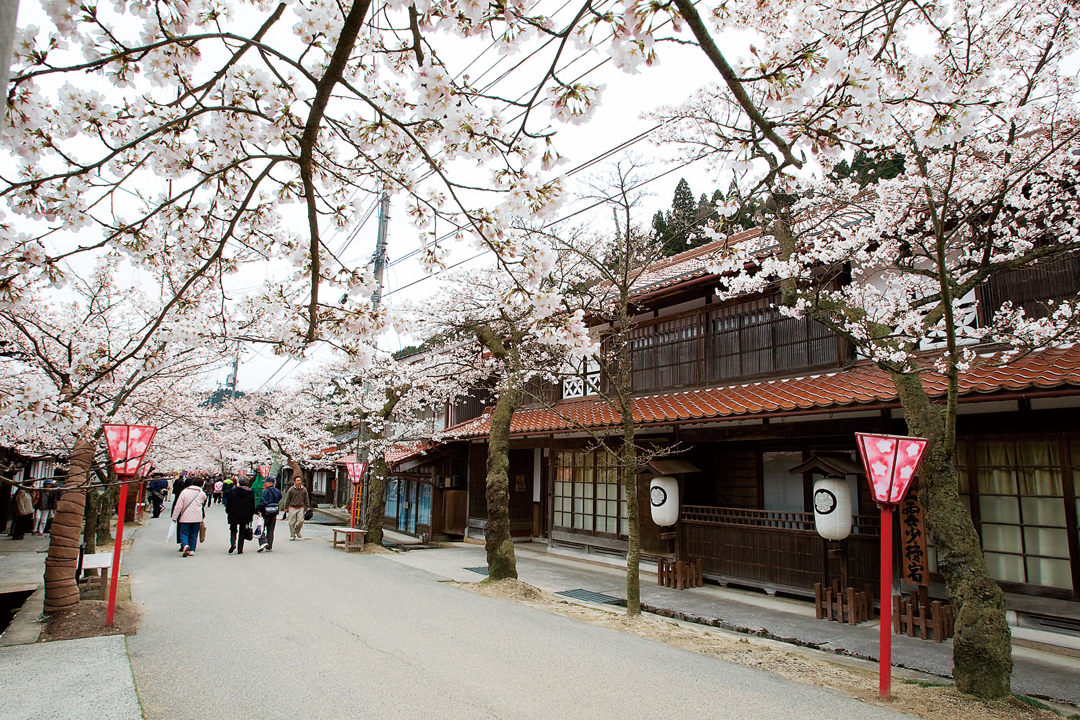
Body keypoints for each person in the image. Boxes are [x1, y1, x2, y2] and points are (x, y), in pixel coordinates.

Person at [172, 479, 207, 557]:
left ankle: (185, 545)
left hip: (185, 517)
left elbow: (178, 506)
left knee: (183, 533)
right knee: (194, 534)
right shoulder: (201, 493)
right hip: (197, 517)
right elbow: (204, 500)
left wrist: (174, 516)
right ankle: (192, 550)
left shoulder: (184, 492)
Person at [226, 477, 255, 554]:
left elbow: (229, 502)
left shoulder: (233, 491)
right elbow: (252, 505)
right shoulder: (250, 492)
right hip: (245, 514)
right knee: (242, 531)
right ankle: (240, 548)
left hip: (233, 513)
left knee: (233, 529)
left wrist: (228, 511)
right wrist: (251, 515)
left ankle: (233, 543)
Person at [256, 479, 282, 552]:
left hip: (266, 512)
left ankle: (263, 542)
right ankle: (269, 546)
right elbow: (280, 498)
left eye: (266, 482)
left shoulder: (266, 491)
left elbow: (263, 501)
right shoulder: (277, 491)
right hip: (274, 512)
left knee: (261, 528)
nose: (265, 484)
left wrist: (258, 510)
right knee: (271, 529)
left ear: (270, 483)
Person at [281, 476, 311, 541]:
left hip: (300, 507)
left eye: (300, 480)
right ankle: (292, 535)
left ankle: (297, 531)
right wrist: (286, 507)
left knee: (301, 521)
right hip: (292, 507)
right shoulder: (291, 490)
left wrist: (308, 506)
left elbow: (306, 498)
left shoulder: (304, 489)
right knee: (291, 522)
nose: (299, 482)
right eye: (297, 481)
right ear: (294, 482)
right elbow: (287, 499)